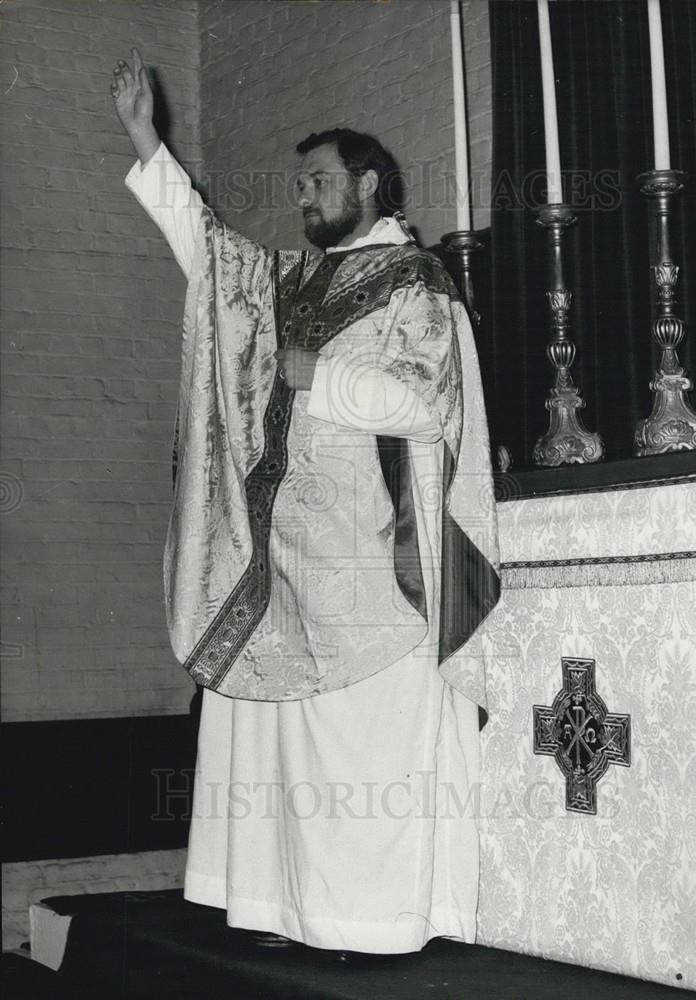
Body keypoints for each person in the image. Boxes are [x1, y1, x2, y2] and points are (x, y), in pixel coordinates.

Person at [112, 47, 500, 956]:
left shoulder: (418, 285)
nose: (303, 199)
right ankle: (284, 907)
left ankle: (364, 919)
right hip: (281, 552)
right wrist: (146, 143)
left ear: (369, 183)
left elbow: (424, 402)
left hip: (370, 556)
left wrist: (317, 376)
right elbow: (213, 266)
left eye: (318, 182)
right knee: (277, 745)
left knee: (354, 750)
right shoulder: (292, 282)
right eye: (299, 188)